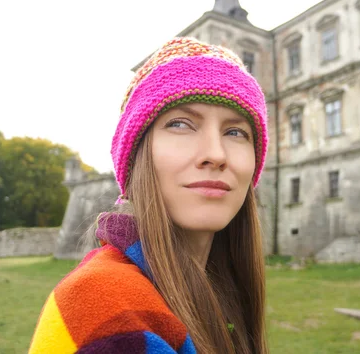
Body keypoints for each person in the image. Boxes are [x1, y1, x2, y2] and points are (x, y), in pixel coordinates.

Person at [29, 37, 269, 354]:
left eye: (236, 132)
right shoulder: (104, 305)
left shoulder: (216, 292)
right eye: (181, 124)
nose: (215, 153)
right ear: (138, 158)